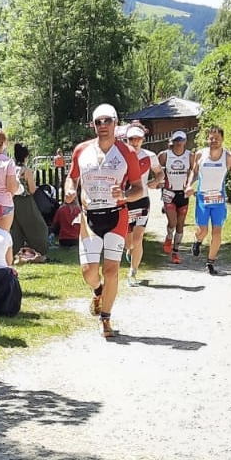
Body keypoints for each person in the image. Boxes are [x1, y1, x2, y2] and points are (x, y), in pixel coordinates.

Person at [65, 104, 143, 339]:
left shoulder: (127, 153)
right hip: (90, 217)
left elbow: (138, 188)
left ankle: (106, 318)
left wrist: (125, 195)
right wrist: (70, 191)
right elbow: (72, 178)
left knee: (111, 270)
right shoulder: (82, 150)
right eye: (98, 122)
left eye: (107, 121)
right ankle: (98, 291)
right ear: (93, 125)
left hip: (116, 216)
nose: (103, 126)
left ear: (115, 123)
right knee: (89, 272)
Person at [188, 125, 231, 275]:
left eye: (217, 138)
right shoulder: (200, 154)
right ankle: (198, 241)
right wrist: (188, 185)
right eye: (211, 138)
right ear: (207, 139)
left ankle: (210, 262)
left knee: (217, 232)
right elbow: (194, 172)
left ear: (222, 139)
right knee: (202, 231)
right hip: (203, 197)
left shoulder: (229, 156)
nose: (214, 141)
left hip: (218, 199)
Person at [123, 121, 161, 286]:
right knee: (128, 242)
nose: (135, 142)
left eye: (138, 139)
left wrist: (156, 181)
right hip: (125, 202)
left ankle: (133, 271)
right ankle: (129, 250)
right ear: (127, 140)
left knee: (138, 239)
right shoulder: (121, 155)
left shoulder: (150, 156)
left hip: (142, 201)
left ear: (143, 140)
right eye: (131, 139)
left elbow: (160, 173)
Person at [158, 129, 193, 262]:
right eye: (177, 140)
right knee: (172, 222)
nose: (179, 143)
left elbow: (194, 172)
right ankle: (168, 237)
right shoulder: (165, 155)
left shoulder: (190, 156)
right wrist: (159, 180)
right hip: (169, 192)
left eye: (181, 140)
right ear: (173, 141)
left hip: (183, 193)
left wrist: (190, 185)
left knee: (180, 224)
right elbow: (156, 170)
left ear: (185, 141)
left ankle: (175, 252)